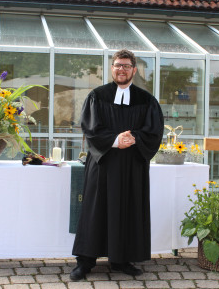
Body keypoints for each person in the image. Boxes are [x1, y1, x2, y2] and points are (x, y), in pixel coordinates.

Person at [70, 49, 164, 281]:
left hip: (132, 166)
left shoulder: (146, 100)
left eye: (125, 65)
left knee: (128, 209)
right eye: (117, 65)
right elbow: (90, 128)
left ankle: (122, 259)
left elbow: (153, 131)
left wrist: (134, 139)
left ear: (134, 70)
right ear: (111, 68)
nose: (121, 69)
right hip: (103, 163)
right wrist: (115, 141)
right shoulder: (97, 96)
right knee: (95, 210)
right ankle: (85, 261)